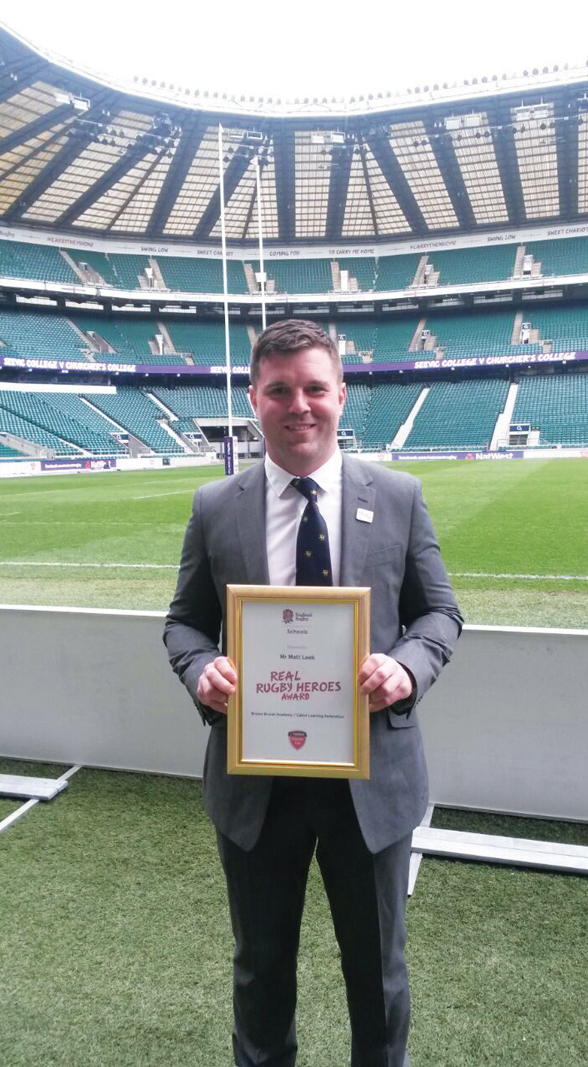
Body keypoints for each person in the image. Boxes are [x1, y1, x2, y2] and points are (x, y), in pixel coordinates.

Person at [164, 319, 463, 1067]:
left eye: (314, 388)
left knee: (378, 974)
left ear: (340, 394)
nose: (300, 404)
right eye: (279, 390)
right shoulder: (214, 505)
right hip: (256, 782)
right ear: (254, 399)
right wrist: (203, 670)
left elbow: (440, 613)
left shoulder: (397, 495)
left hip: (371, 779)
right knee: (261, 968)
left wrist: (407, 667)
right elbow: (183, 625)